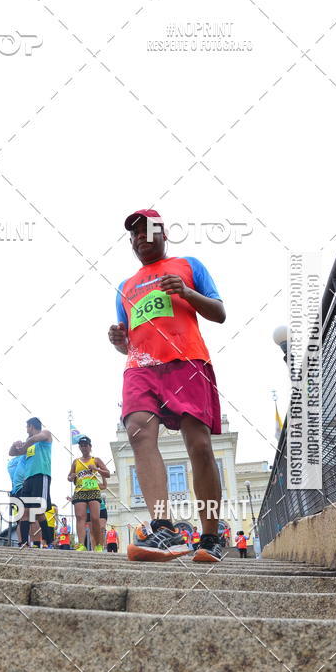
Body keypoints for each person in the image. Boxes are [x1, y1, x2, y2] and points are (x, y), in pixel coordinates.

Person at [109, 208, 226, 563]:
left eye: (146, 232)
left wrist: (188, 293)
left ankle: (209, 536)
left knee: (199, 445)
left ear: (163, 233)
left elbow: (219, 312)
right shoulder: (125, 287)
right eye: (134, 236)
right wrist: (118, 340)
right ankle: (164, 529)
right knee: (138, 433)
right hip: (141, 366)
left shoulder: (189, 265)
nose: (139, 240)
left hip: (187, 361)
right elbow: (128, 340)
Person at [9, 418, 53, 548]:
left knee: (39, 512)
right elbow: (12, 453)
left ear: (31, 426)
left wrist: (25, 443)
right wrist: (14, 444)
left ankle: (48, 542)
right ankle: (23, 543)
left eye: (27, 427)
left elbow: (35, 438)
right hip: (27, 480)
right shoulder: (29, 445)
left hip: (41, 475)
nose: (26, 430)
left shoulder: (46, 434)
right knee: (25, 512)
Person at [68, 436, 110, 553]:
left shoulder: (95, 459)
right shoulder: (76, 461)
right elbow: (69, 476)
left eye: (86, 445)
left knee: (95, 518)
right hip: (80, 490)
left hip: (93, 490)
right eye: (81, 445)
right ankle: (81, 544)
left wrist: (96, 469)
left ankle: (98, 545)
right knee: (80, 517)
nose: (84, 447)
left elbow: (107, 474)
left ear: (90, 447)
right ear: (79, 447)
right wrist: (71, 477)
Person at [7, 452, 27, 545]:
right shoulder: (23, 458)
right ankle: (29, 542)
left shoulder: (10, 463)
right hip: (23, 489)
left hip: (14, 492)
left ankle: (20, 542)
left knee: (19, 521)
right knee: (29, 517)